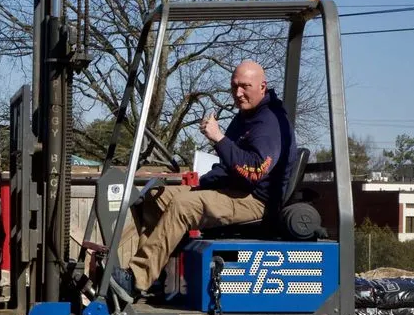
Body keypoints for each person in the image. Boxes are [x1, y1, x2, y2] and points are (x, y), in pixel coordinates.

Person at [111, 60, 297, 299]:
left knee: (182, 206)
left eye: (245, 86)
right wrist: (202, 183)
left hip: (255, 200)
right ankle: (157, 276)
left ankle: (136, 278)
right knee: (154, 195)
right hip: (233, 189)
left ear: (263, 86)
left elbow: (253, 171)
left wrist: (219, 138)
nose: (238, 93)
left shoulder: (269, 122)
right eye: (234, 86)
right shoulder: (245, 116)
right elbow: (228, 165)